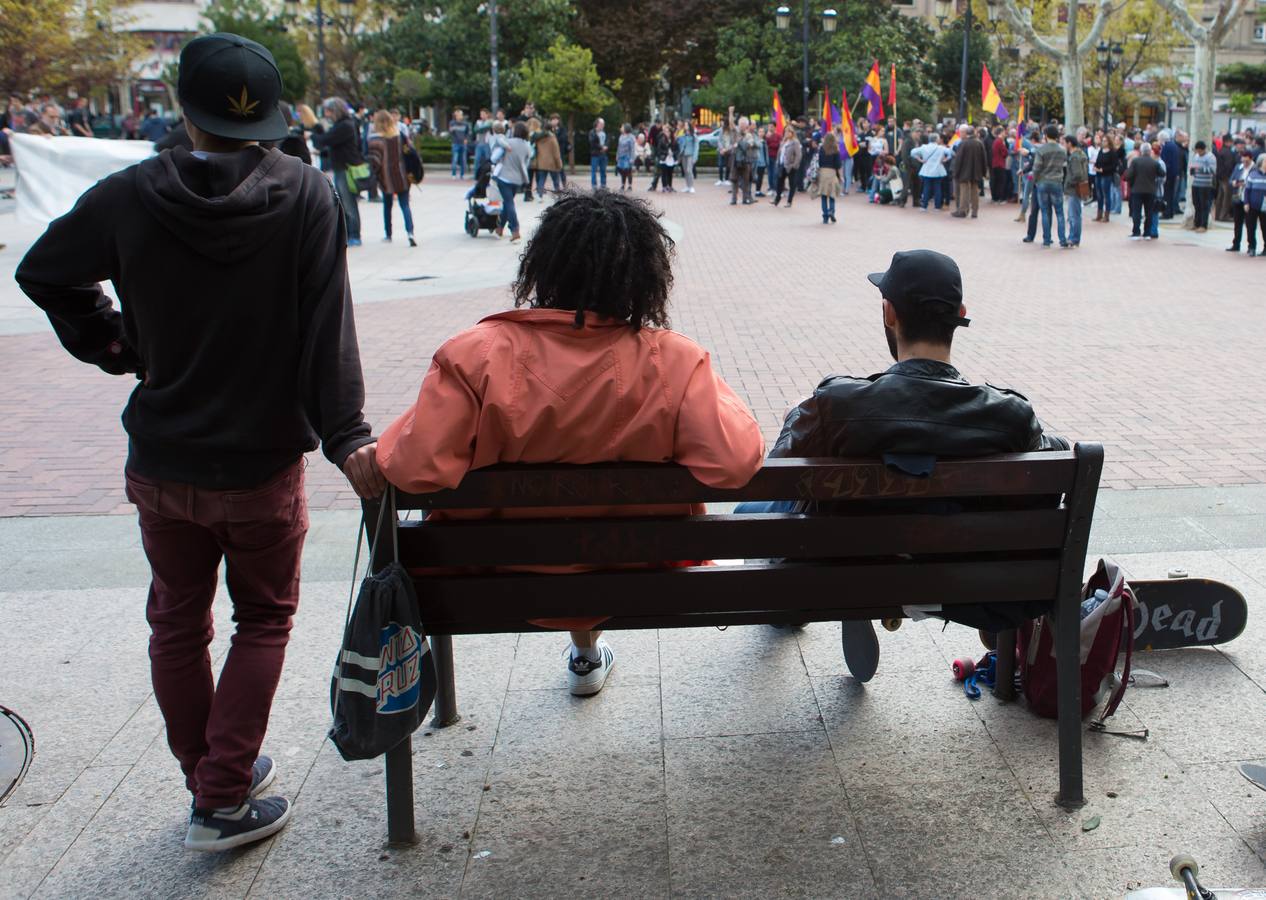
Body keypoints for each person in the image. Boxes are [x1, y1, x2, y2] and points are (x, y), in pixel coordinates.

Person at [15, 32, 381, 852]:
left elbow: (43, 271)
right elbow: (330, 334)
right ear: (274, 118)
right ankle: (220, 797)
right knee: (263, 618)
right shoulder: (306, 195)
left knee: (178, 622)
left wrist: (117, 343)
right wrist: (347, 434)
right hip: (260, 466)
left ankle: (211, 775)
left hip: (163, 459)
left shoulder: (129, 194)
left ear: (183, 109)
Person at [374, 190, 764, 696]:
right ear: (644, 273)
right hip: (634, 571)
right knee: (605, 535)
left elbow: (412, 469)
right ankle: (586, 649)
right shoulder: (673, 362)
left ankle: (582, 653)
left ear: (544, 263)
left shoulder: (475, 357)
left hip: (496, 575)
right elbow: (735, 462)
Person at [738, 250, 1066, 681]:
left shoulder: (834, 405)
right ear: (960, 315)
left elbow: (776, 477)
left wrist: (798, 416)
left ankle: (821, 600)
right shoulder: (1010, 416)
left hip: (840, 570)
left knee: (754, 515)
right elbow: (1044, 473)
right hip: (966, 581)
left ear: (889, 313)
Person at [310, 97, 363, 246]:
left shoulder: (344, 125)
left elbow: (325, 140)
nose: (327, 114)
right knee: (344, 203)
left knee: (348, 203)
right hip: (342, 167)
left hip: (345, 169)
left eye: (328, 111)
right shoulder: (344, 124)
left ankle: (354, 234)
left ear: (335, 111)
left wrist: (313, 133)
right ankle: (348, 234)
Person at [367, 109, 416, 247]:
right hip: (402, 175)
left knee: (387, 206)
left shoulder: (375, 140)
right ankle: (410, 232)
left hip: (385, 178)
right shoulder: (400, 136)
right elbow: (411, 152)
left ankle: (388, 234)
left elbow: (374, 162)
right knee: (405, 205)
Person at [1022, 124, 1068, 248]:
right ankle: (1062, 239)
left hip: (1043, 182)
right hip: (1057, 181)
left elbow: (1036, 168)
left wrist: (1036, 180)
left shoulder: (1041, 150)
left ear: (1046, 136)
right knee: (1059, 212)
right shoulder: (1062, 149)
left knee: (1045, 211)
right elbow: (1064, 164)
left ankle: (1047, 239)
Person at [492, 121, 531, 242]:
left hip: (504, 177)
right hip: (518, 179)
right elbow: (526, 163)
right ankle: (499, 229)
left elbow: (493, 158)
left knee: (509, 203)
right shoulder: (527, 146)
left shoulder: (508, 142)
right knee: (507, 203)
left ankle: (515, 231)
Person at [1124, 140, 1161, 241]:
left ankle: (1136, 232)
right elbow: (1162, 173)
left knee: (1137, 211)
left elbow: (1129, 175)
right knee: (1149, 212)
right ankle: (1147, 233)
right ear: (1150, 151)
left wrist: (1130, 180)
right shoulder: (1154, 162)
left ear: (1141, 151)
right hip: (1150, 190)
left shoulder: (1136, 161)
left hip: (1137, 189)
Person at [951, 125, 988, 219]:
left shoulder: (963, 143)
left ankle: (963, 210)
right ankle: (975, 211)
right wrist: (984, 172)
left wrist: (956, 172)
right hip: (976, 171)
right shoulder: (979, 143)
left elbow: (959, 159)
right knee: (975, 192)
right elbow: (984, 159)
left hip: (964, 172)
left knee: (964, 192)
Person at [1227, 149, 1258, 255]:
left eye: (1246, 161)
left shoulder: (1255, 169)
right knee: (1237, 223)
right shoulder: (1238, 167)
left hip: (1249, 200)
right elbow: (1230, 180)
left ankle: (1251, 246)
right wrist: (1234, 183)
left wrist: (1247, 184)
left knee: (1250, 224)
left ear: (1251, 159)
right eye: (1243, 160)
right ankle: (1236, 244)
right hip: (1238, 197)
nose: (1244, 163)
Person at [912, 132, 952, 211]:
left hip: (927, 169)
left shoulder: (924, 147)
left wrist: (920, 159)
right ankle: (937, 206)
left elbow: (912, 152)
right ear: (937, 139)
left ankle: (924, 206)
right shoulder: (941, 148)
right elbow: (950, 152)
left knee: (926, 187)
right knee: (937, 188)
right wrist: (945, 159)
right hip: (938, 169)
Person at [1062, 134, 1089, 248]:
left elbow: (1077, 174)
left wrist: (1068, 183)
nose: (1063, 145)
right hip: (1078, 187)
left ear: (1069, 143)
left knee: (1074, 215)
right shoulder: (1081, 154)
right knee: (1075, 214)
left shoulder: (1074, 157)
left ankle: (1074, 238)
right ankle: (1074, 237)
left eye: (1064, 143)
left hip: (1074, 189)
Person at [1093, 133, 1122, 223]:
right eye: (1103, 141)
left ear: (1109, 142)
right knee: (1099, 194)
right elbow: (1098, 161)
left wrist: (1103, 170)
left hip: (1106, 175)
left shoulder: (1112, 153)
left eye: (1105, 141)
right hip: (1098, 175)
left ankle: (1106, 215)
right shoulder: (1101, 151)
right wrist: (1096, 167)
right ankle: (1099, 213)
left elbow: (1114, 165)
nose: (1103, 142)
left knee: (1106, 194)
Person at [1189, 139, 1217, 232]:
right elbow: (1193, 166)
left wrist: (1200, 169)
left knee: (1204, 205)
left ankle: (1203, 225)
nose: (1197, 152)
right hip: (1196, 183)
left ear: (1202, 149)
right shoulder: (1196, 156)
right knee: (1196, 204)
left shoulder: (1210, 157)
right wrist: (1192, 170)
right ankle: (1196, 223)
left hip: (1205, 184)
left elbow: (1213, 170)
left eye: (1198, 150)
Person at [770, 124, 801, 207]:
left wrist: (794, 165)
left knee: (792, 184)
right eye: (785, 132)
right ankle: (777, 199)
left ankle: (789, 201)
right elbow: (779, 153)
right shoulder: (783, 142)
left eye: (788, 132)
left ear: (792, 133)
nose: (786, 133)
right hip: (782, 165)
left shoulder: (795, 142)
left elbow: (798, 156)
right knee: (779, 182)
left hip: (790, 166)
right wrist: (777, 162)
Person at [815, 130, 842, 224]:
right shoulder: (836, 149)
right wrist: (840, 176)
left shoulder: (822, 149)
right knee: (832, 195)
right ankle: (831, 211)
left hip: (822, 172)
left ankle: (825, 216)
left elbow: (818, 162)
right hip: (832, 173)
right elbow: (838, 165)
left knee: (823, 196)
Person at [730, 115, 758, 205]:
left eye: (743, 124)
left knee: (746, 180)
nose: (741, 126)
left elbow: (748, 146)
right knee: (734, 180)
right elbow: (731, 124)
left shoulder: (749, 135)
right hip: (735, 160)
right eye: (740, 124)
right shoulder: (736, 133)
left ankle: (745, 199)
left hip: (746, 161)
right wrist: (731, 112)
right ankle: (734, 199)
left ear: (746, 125)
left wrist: (738, 143)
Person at [1243, 154, 1266, 257]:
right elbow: (1247, 190)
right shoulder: (1253, 174)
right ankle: (1251, 247)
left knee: (1265, 228)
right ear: (1261, 162)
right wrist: (1246, 202)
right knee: (1251, 227)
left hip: (1264, 207)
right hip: (1252, 205)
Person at [533, 119, 563, 196]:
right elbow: (556, 152)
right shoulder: (552, 138)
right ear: (551, 128)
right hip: (552, 163)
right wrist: (559, 164)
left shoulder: (538, 139)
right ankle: (558, 195)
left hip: (541, 162)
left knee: (541, 180)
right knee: (556, 180)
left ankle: (539, 195)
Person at [989, 126, 1009, 202]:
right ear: (1001, 133)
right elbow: (1005, 152)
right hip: (1000, 163)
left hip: (996, 163)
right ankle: (999, 197)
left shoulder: (996, 141)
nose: (1005, 134)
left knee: (997, 181)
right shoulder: (999, 141)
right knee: (1001, 181)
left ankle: (995, 197)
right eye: (1004, 132)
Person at [677, 122, 698, 193]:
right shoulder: (683, 135)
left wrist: (695, 157)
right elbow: (678, 141)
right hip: (683, 155)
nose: (685, 126)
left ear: (689, 126)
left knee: (689, 170)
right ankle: (687, 186)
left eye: (686, 125)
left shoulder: (693, 135)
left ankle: (691, 186)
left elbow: (696, 147)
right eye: (684, 125)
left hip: (690, 154)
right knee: (685, 171)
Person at [449, 108, 469, 178]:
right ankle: (453, 174)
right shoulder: (452, 123)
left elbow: (467, 133)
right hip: (455, 143)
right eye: (457, 115)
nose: (459, 116)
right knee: (455, 159)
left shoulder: (465, 124)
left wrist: (466, 139)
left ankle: (462, 174)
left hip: (463, 143)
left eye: (460, 115)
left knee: (463, 159)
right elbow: (451, 133)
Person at [588, 117, 608, 187]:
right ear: (597, 124)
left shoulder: (604, 132)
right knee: (594, 171)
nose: (603, 125)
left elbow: (607, 141)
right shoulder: (592, 132)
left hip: (603, 154)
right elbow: (592, 142)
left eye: (603, 124)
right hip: (595, 154)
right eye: (601, 124)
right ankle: (594, 185)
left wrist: (606, 146)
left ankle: (603, 185)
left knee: (603, 171)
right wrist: (601, 147)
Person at [616, 123, 635, 191]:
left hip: (628, 156)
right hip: (621, 156)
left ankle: (630, 186)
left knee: (628, 171)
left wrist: (632, 158)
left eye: (622, 127)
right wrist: (617, 155)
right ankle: (622, 185)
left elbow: (632, 148)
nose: (621, 128)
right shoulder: (621, 136)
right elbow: (619, 147)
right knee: (622, 171)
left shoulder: (631, 137)